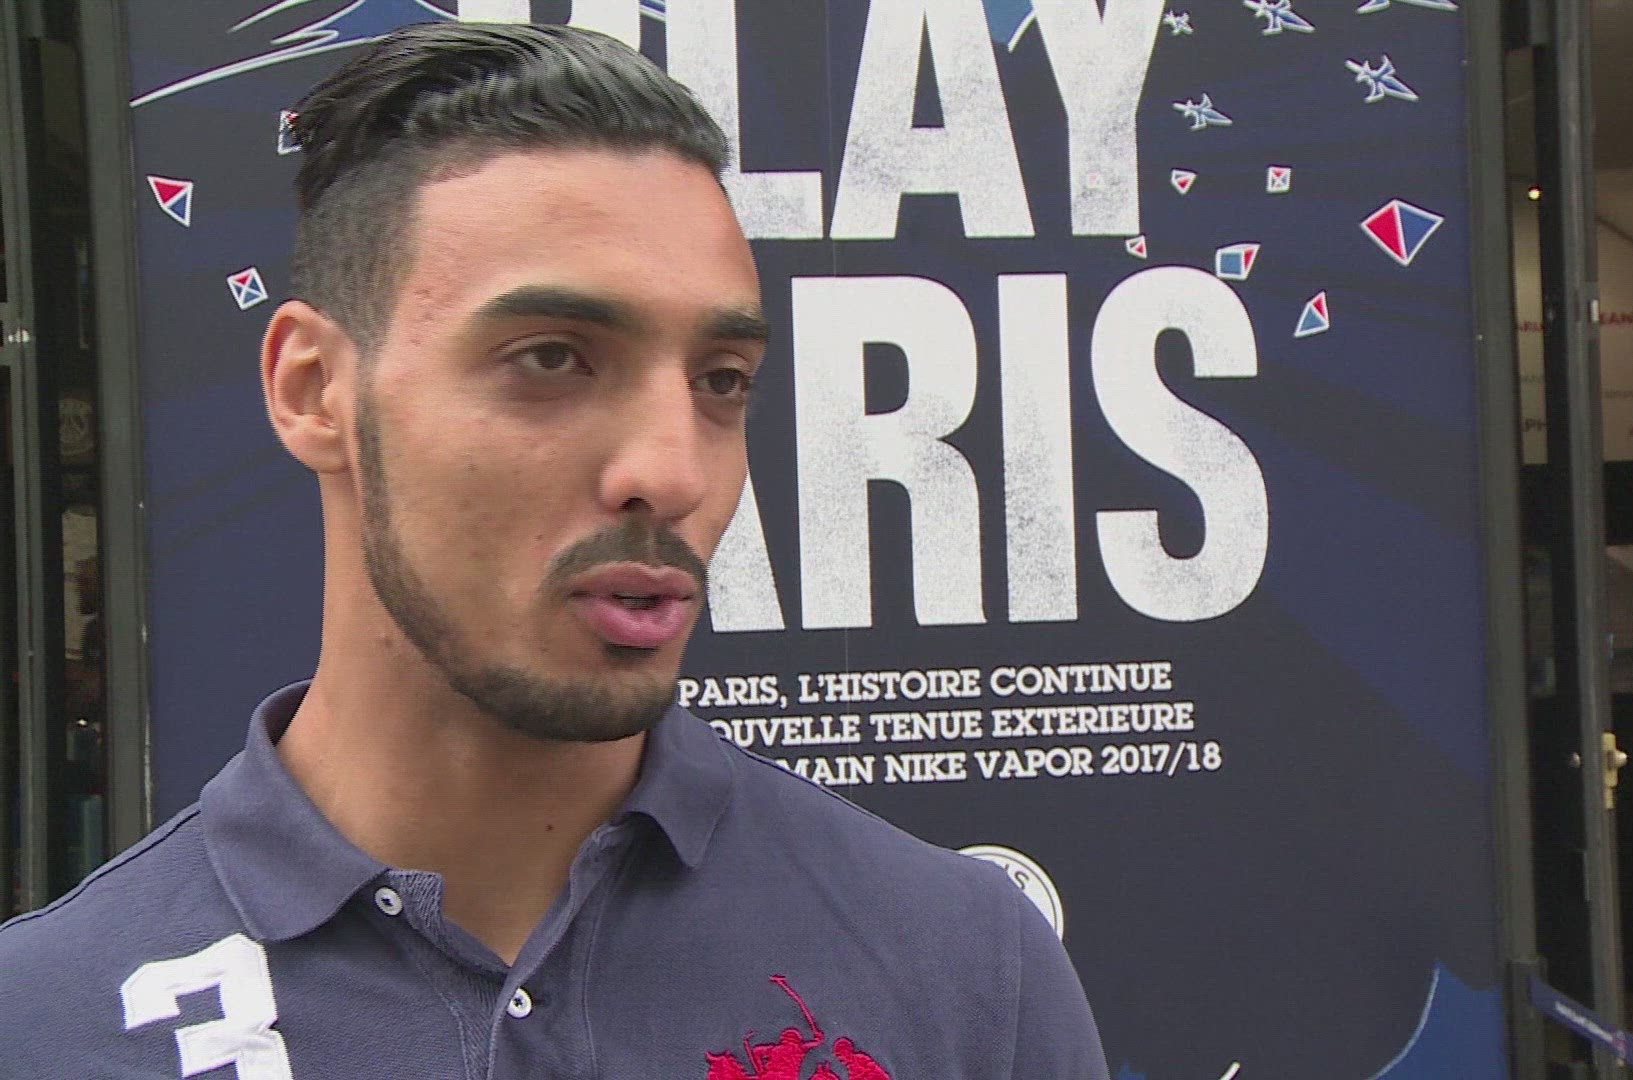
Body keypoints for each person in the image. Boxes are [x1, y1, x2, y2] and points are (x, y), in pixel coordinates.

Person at [0, 24, 1106, 1078]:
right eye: (552, 359)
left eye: (721, 380)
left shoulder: (966, 966)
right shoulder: (47, 1025)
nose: (673, 471)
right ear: (314, 389)